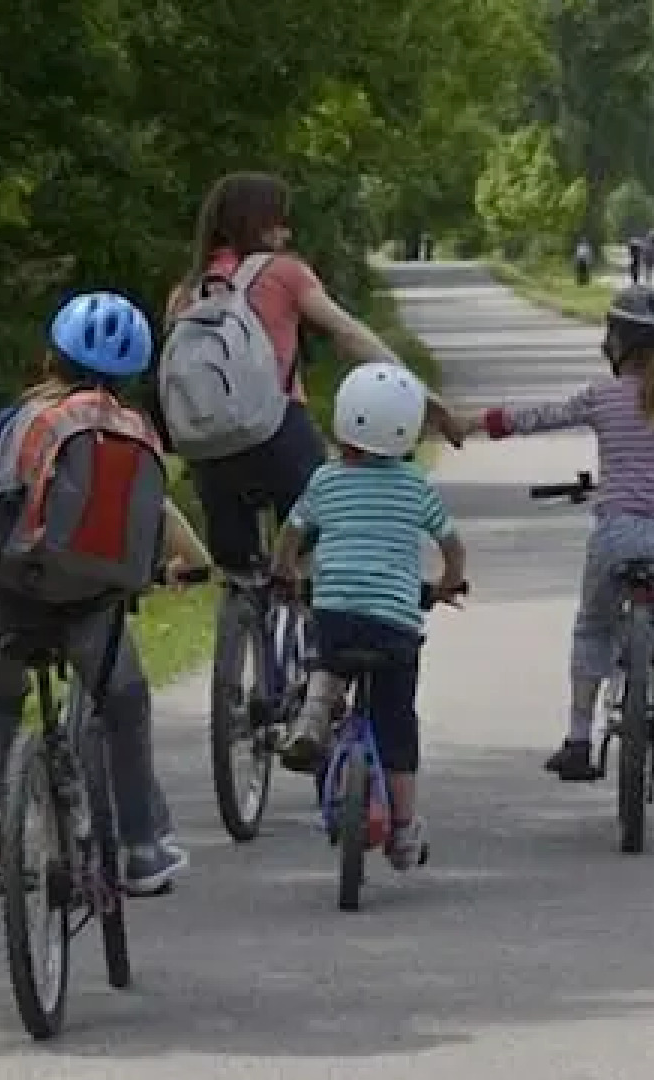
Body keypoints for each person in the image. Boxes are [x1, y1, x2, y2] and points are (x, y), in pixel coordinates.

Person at [0, 290, 216, 895]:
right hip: (91, 606)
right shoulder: (133, 433)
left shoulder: (14, 422)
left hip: (11, 594)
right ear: (133, 376)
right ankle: (140, 849)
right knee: (125, 703)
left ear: (50, 358)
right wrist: (183, 570)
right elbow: (165, 530)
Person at [163, 171, 462, 752]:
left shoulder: (187, 291)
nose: (287, 228)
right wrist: (419, 395)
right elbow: (349, 336)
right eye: (279, 217)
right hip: (278, 433)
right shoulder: (285, 273)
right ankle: (320, 672)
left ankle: (246, 638)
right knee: (328, 534)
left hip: (209, 452)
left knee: (244, 569)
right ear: (260, 223)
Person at [457, 284, 654, 782]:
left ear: (618, 345)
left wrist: (478, 423)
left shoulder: (602, 397)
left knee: (592, 626)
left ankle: (578, 740)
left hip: (615, 533)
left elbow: (539, 417)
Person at [273, 362, 468, 870]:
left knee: (328, 654)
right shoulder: (415, 485)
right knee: (397, 724)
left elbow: (291, 534)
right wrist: (449, 582)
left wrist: (285, 572)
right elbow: (451, 543)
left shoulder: (325, 480)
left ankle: (315, 712)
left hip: (336, 609)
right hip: (394, 623)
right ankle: (403, 831)